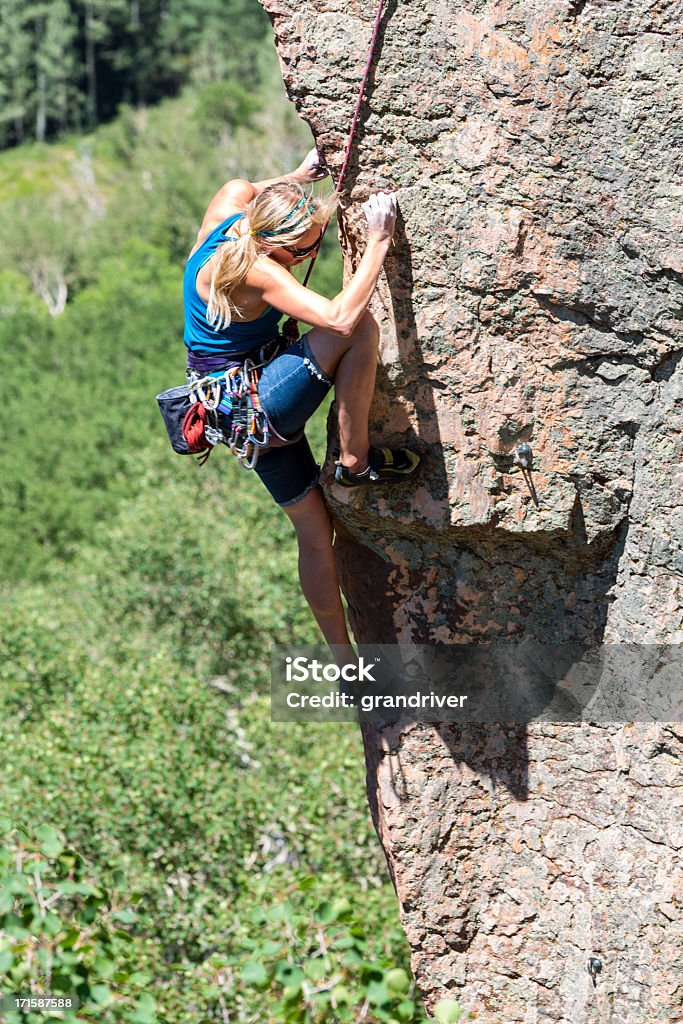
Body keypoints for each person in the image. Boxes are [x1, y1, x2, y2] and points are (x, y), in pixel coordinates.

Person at [183, 147, 421, 651]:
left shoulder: (233, 205)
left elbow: (253, 192)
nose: (310, 257)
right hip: (254, 403)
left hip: (233, 406)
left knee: (315, 534)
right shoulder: (257, 270)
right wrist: (379, 241)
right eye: (304, 252)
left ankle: (342, 660)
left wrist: (297, 177)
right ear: (272, 249)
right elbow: (337, 318)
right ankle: (356, 461)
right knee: (358, 330)